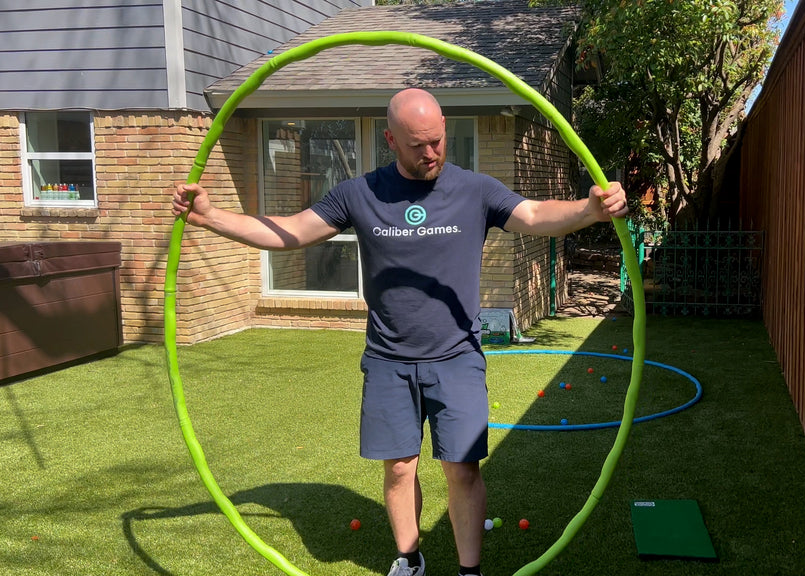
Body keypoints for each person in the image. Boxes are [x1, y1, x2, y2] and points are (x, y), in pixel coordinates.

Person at [171, 88, 627, 576]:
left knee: (462, 469)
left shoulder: (475, 190)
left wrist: (588, 210)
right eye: (417, 145)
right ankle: (409, 560)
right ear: (391, 139)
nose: (431, 153)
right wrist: (211, 216)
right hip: (389, 360)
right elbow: (292, 231)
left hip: (456, 357)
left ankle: (469, 571)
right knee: (399, 468)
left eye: (437, 141)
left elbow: (536, 215)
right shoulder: (359, 193)